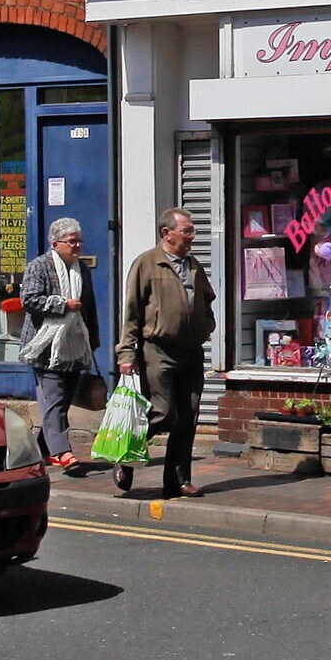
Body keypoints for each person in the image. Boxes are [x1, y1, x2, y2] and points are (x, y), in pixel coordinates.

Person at [115, 208, 217, 498]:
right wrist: (126, 354)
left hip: (191, 350)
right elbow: (132, 312)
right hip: (158, 349)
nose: (192, 237)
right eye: (187, 231)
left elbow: (206, 299)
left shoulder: (194, 265)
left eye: (192, 231)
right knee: (163, 411)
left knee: (188, 416)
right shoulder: (147, 263)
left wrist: (206, 326)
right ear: (166, 233)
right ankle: (126, 453)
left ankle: (178, 480)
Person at [19, 217, 98, 471]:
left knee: (61, 403)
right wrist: (62, 305)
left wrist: (92, 341)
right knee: (53, 400)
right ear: (56, 244)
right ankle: (63, 452)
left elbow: (90, 307)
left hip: (73, 346)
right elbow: (29, 300)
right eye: (71, 242)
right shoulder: (39, 266)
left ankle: (39, 450)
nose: (77, 246)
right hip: (45, 347)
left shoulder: (82, 270)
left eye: (79, 241)